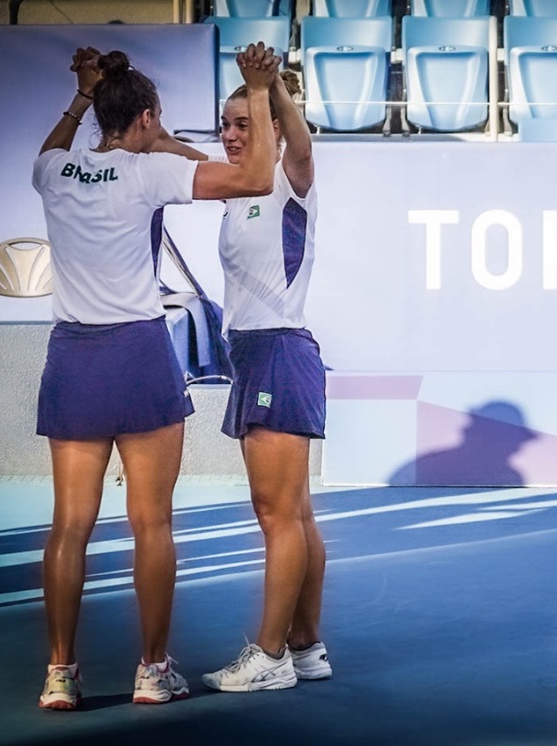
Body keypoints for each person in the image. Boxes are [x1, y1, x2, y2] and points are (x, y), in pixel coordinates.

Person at [32, 42, 282, 710]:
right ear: (144, 118)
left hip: (74, 359)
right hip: (140, 355)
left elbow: (53, 145)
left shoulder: (54, 168)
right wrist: (257, 91)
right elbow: (256, 178)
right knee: (153, 526)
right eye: (157, 118)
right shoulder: (150, 173)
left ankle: (59, 675)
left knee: (69, 527)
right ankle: (152, 671)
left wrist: (86, 91)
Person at [154, 67, 330, 692]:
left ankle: (271, 654)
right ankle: (307, 647)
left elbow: (301, 144)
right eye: (226, 125)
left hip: (279, 352)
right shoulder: (239, 187)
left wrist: (270, 88)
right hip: (257, 354)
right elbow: (177, 155)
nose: (230, 136)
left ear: (274, 131)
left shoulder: (289, 178)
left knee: (276, 514)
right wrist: (136, 121)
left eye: (244, 126)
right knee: (297, 513)